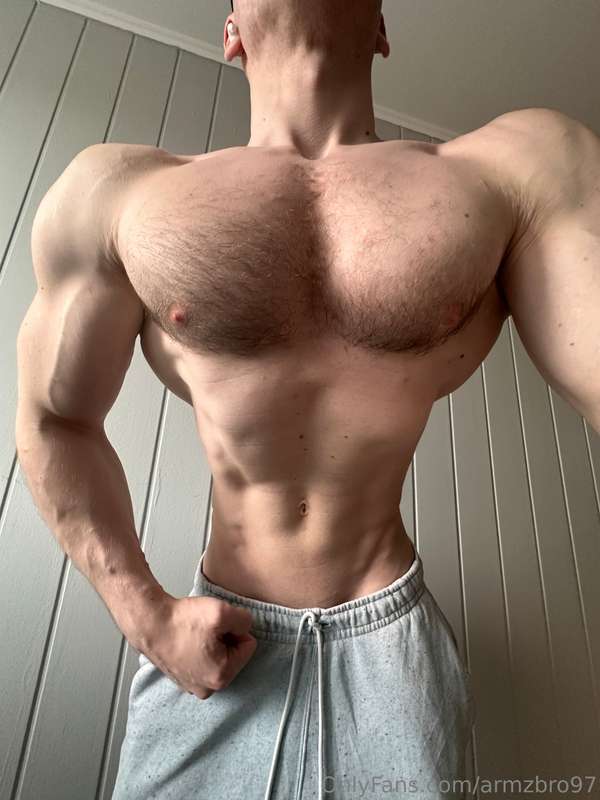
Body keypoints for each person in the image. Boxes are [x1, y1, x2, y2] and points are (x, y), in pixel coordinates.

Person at [14, 0, 600, 798]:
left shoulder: (516, 168)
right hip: (210, 655)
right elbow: (55, 421)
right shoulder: (117, 190)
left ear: (382, 28)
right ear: (230, 33)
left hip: (394, 661)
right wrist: (146, 617)